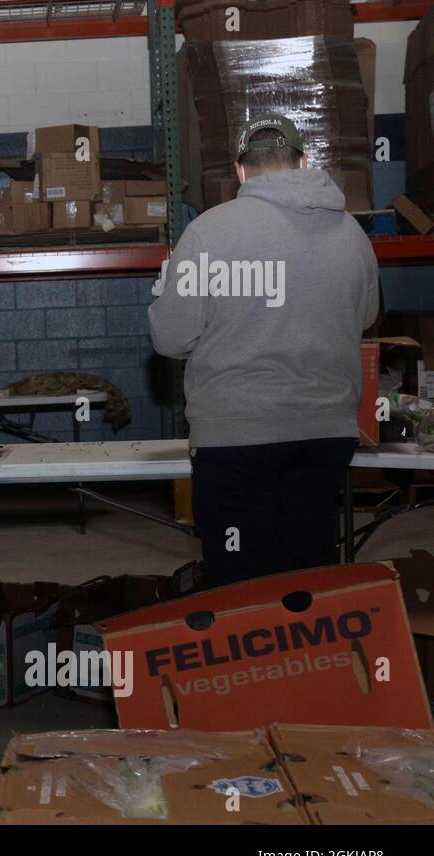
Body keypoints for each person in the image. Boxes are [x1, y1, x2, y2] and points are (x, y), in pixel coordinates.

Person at [149, 114, 380, 587]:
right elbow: (366, 318)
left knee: (240, 581)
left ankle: (248, 659)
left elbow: (171, 338)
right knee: (308, 575)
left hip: (236, 438)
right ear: (303, 162)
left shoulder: (210, 233)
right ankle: (311, 657)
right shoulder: (353, 234)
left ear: (239, 170)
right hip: (324, 434)